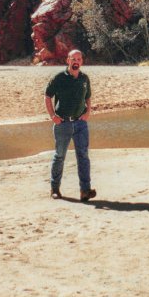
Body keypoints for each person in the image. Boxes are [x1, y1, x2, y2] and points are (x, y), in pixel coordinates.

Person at [44, 49, 96, 202]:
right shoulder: (59, 78)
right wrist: (53, 116)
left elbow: (88, 97)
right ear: (68, 60)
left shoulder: (85, 79)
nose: (76, 62)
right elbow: (47, 96)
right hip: (63, 124)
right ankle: (55, 189)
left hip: (81, 124)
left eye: (79, 59)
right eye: (73, 59)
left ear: (82, 62)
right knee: (60, 156)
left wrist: (88, 113)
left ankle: (85, 191)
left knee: (83, 156)